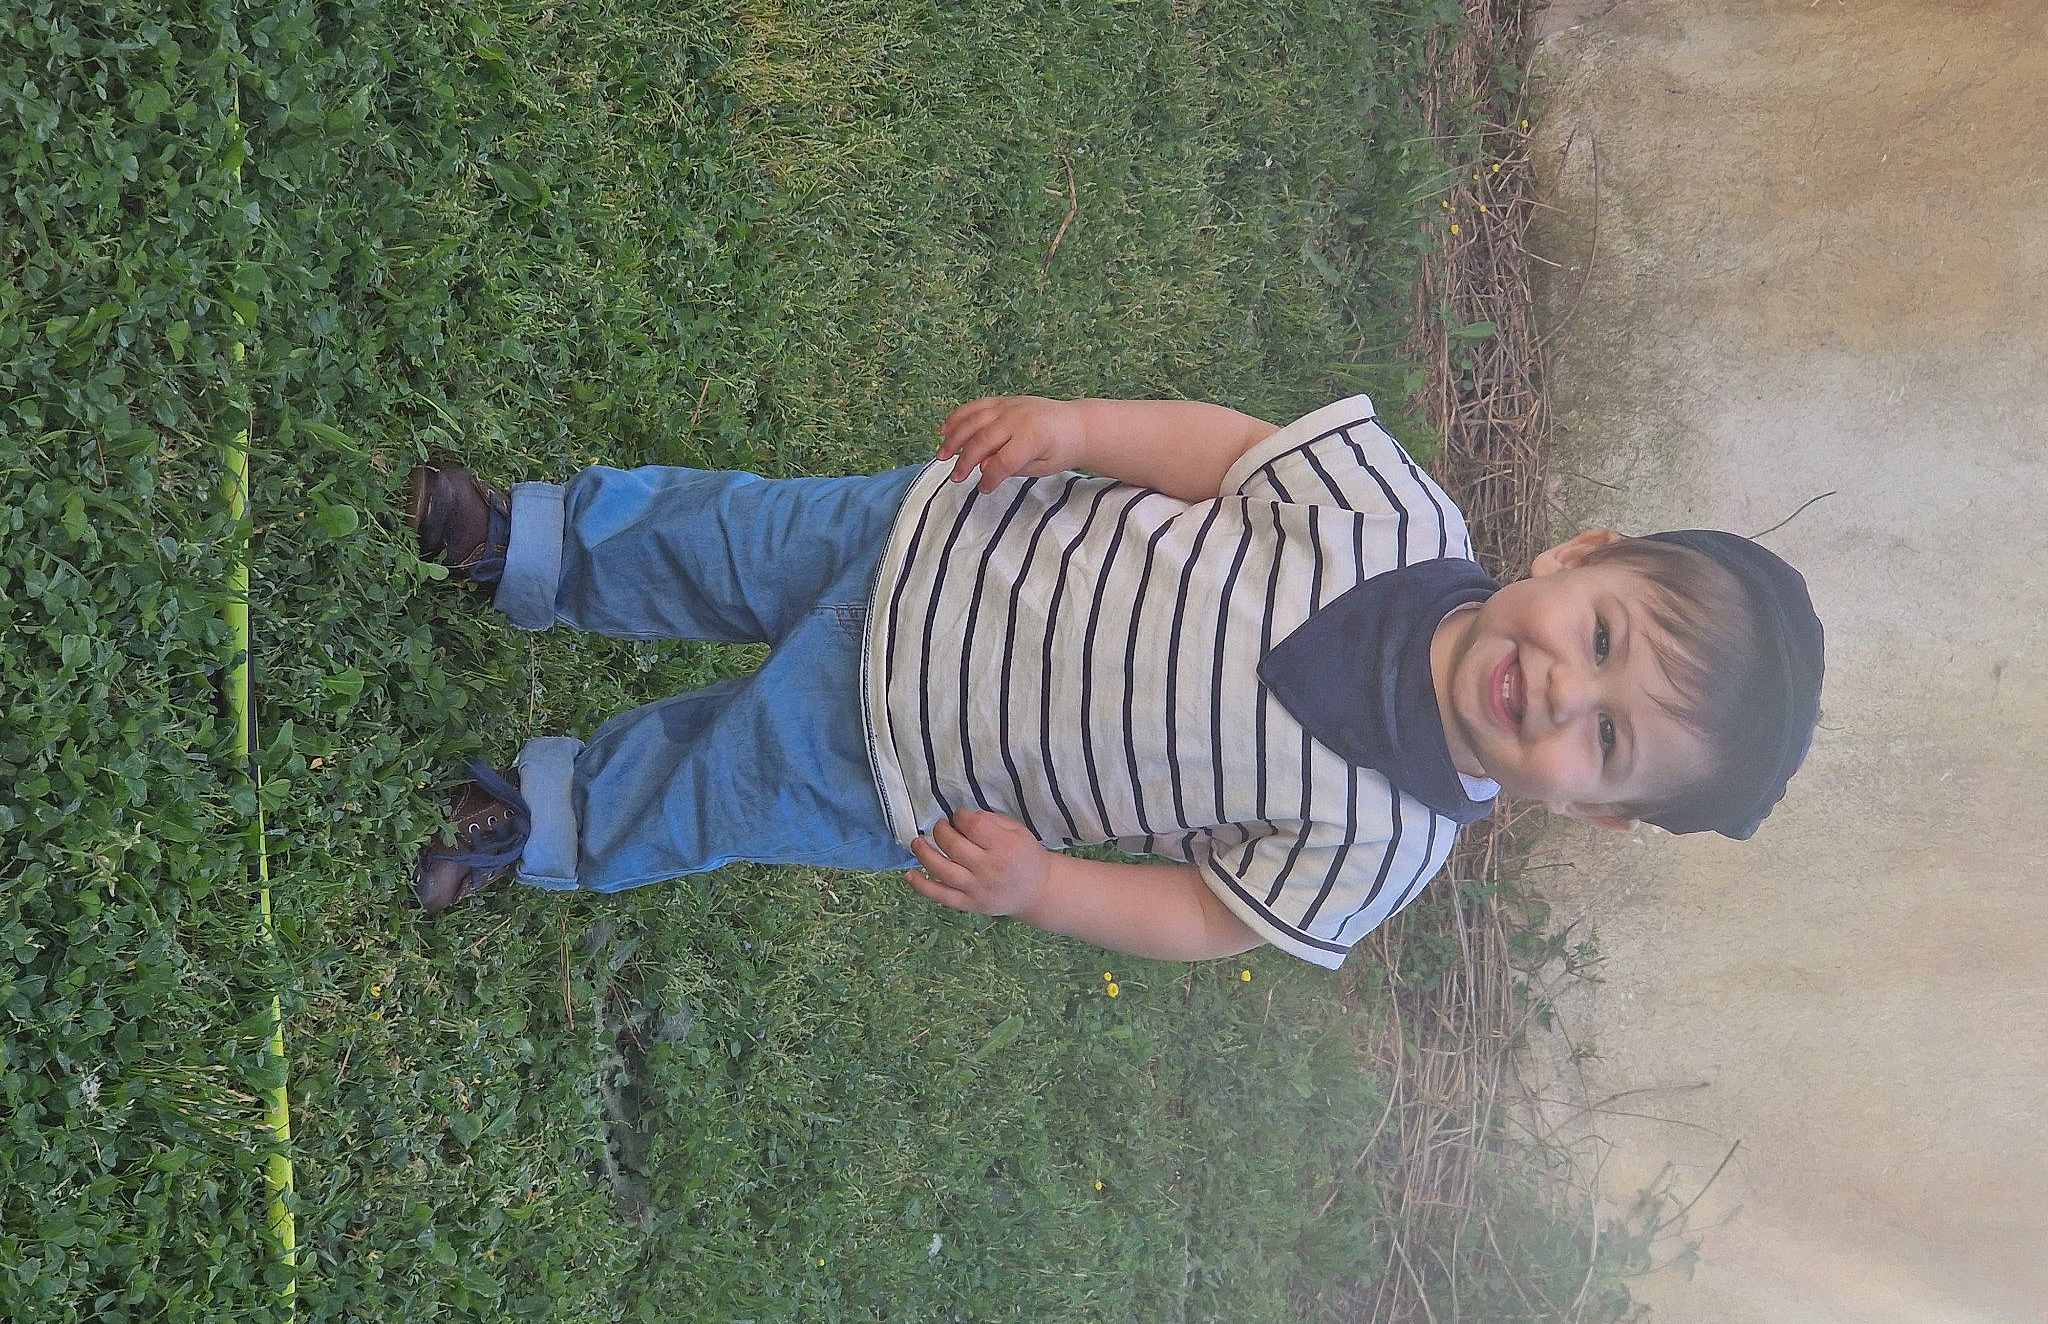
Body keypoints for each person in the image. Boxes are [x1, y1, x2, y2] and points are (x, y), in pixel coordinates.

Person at [405, 394, 1823, 968]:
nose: (1566, 696)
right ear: (1583, 551)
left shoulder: (1385, 849)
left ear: (1596, 814)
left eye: (1611, 744)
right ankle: (525, 542)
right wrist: (1079, 425)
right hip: (924, 534)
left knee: (711, 788)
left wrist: (1041, 888)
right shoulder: (1392, 509)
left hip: (915, 759)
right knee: (712, 534)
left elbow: (1208, 917)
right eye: (1603, 637)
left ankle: (544, 824)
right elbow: (1225, 454)